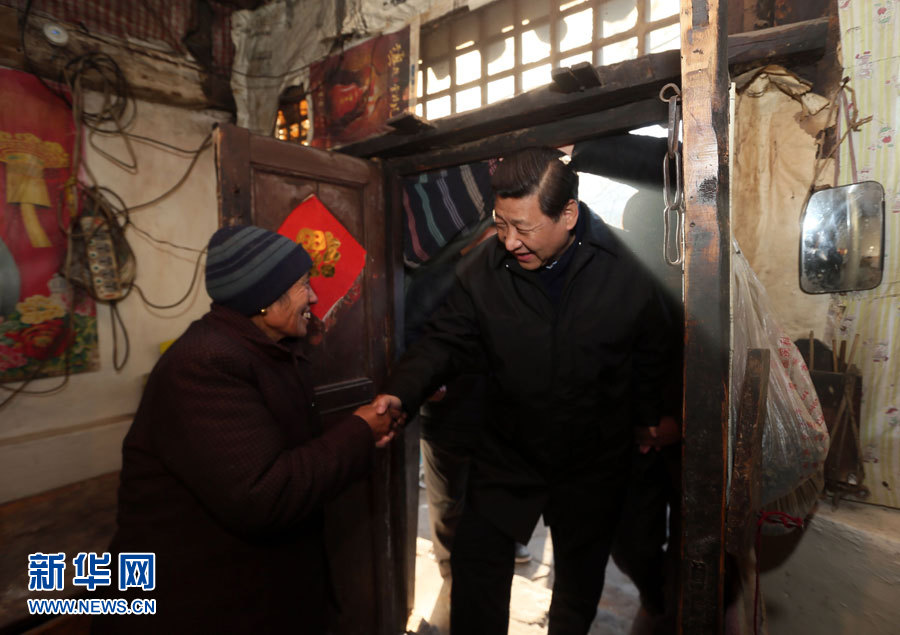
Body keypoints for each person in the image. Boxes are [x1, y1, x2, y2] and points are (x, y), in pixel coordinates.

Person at [374, 147, 673, 635]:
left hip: (593, 459)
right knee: (475, 572)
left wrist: (650, 417)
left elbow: (652, 351)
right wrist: (400, 392)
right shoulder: (484, 268)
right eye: (501, 224)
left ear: (568, 215)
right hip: (508, 453)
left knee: (576, 588)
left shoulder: (627, 268)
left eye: (524, 228)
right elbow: (443, 340)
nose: (509, 241)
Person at [92, 225, 394, 634]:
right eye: (303, 286)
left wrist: (364, 428)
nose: (314, 298)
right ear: (265, 300)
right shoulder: (203, 364)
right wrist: (359, 431)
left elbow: (281, 438)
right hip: (198, 608)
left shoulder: (266, 350)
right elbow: (265, 493)